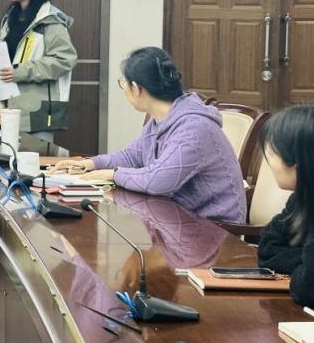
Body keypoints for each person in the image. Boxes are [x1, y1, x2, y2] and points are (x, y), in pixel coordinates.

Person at [55, 47, 246, 223]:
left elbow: (158, 181)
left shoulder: (194, 127)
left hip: (215, 231)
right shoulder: (161, 118)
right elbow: (132, 156)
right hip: (179, 220)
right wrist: (90, 164)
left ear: (137, 88)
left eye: (123, 83)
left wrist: (112, 174)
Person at [0, 0, 77, 142]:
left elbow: (65, 60)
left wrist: (19, 72)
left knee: (32, 160)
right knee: (3, 158)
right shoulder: (10, 19)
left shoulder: (50, 20)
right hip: (7, 108)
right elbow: (12, 61)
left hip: (36, 113)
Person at [256, 104, 314, 307]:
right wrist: (305, 264)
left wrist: (308, 269)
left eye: (272, 151)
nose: (268, 160)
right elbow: (267, 249)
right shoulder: (303, 198)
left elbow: (312, 288)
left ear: (298, 162)